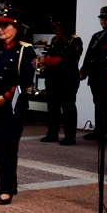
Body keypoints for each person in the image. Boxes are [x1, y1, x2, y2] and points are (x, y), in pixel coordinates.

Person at [0, 7, 36, 205]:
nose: (0, 29)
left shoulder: (25, 50)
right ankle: (10, 183)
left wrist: (5, 97)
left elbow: (26, 80)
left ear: (16, 28)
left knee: (8, 147)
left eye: (5, 25)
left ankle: (6, 189)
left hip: (12, 107)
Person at [80, 6, 107, 141]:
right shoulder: (97, 36)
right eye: (102, 18)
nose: (103, 21)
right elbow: (89, 56)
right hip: (96, 76)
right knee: (98, 104)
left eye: (106, 18)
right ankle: (99, 130)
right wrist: (83, 72)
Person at [39, 18, 83, 146]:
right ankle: (52, 133)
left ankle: (70, 136)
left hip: (67, 79)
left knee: (68, 107)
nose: (55, 31)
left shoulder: (74, 40)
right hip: (53, 78)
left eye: (57, 28)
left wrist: (46, 61)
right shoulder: (54, 40)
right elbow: (51, 55)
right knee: (53, 107)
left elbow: (67, 59)